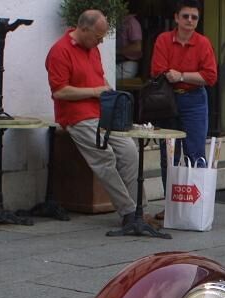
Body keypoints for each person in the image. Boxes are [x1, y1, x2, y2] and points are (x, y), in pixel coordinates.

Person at [46, 9, 141, 228]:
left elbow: (98, 78)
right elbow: (59, 91)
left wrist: (106, 90)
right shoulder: (59, 51)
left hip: (101, 114)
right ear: (84, 29)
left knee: (129, 151)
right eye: (97, 37)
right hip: (77, 117)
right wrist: (95, 91)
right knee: (104, 157)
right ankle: (128, 212)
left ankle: (138, 209)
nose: (99, 42)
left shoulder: (92, 49)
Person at [151, 1, 218, 203]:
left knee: (195, 153)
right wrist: (192, 75)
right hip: (167, 101)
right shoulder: (163, 40)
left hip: (195, 100)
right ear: (176, 18)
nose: (190, 20)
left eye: (194, 17)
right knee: (168, 156)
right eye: (186, 16)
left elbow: (210, 77)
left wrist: (181, 75)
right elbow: (157, 71)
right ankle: (170, 206)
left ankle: (197, 205)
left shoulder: (203, 43)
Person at [116, 12, 142, 79]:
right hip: (118, 63)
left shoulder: (132, 22)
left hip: (127, 65)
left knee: (102, 75)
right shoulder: (118, 21)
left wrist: (116, 51)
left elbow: (137, 47)